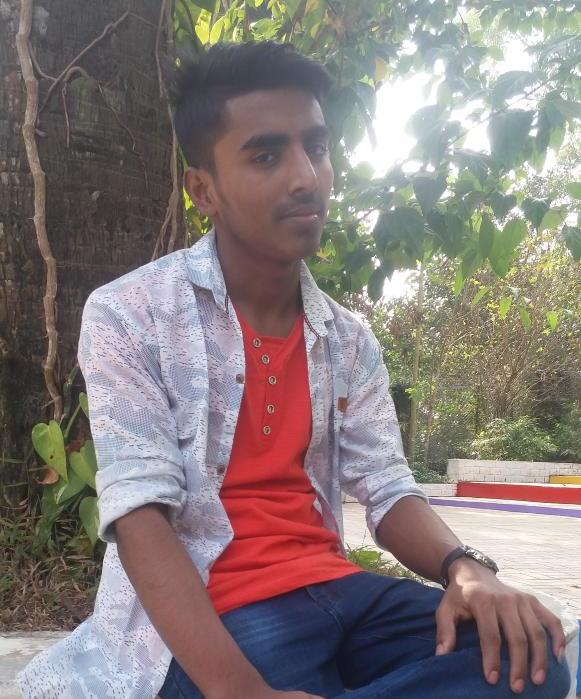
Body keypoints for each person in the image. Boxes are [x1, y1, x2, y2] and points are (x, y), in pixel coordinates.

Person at [18, 41, 570, 699]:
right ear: (203, 190)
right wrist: (240, 692)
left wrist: (464, 567)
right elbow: (140, 515)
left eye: (317, 146)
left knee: (531, 656)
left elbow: (386, 485)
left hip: (340, 594)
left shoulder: (347, 338)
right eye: (266, 155)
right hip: (219, 614)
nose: (306, 176)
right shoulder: (131, 314)